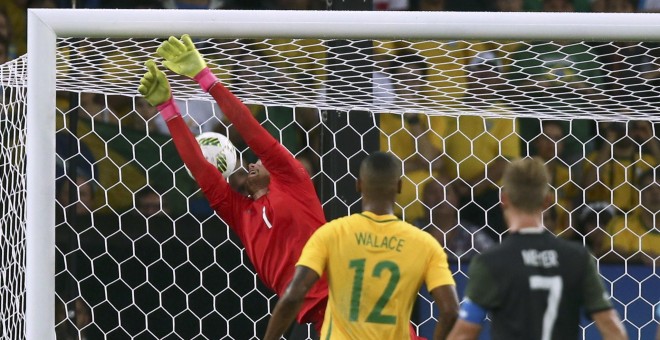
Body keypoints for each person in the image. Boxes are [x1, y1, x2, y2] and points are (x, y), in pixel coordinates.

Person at [138, 34, 328, 337]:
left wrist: (205, 78)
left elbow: (252, 131)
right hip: (307, 319)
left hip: (341, 301)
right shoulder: (240, 213)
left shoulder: (294, 182)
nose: (252, 162)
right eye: (249, 162)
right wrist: (168, 108)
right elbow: (200, 169)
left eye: (259, 161)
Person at [263, 152, 459, 340]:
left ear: (359, 185)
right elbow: (450, 310)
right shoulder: (425, 244)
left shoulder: (331, 234)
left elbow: (294, 295)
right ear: (399, 186)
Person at [447, 157, 628, 340]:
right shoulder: (578, 257)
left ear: (503, 199)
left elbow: (464, 334)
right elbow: (612, 328)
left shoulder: (491, 262)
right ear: (547, 200)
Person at [603, 168, 660, 266]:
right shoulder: (621, 225)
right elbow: (609, 255)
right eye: (649, 188)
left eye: (659, 188)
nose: (655, 193)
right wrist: (638, 257)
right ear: (639, 195)